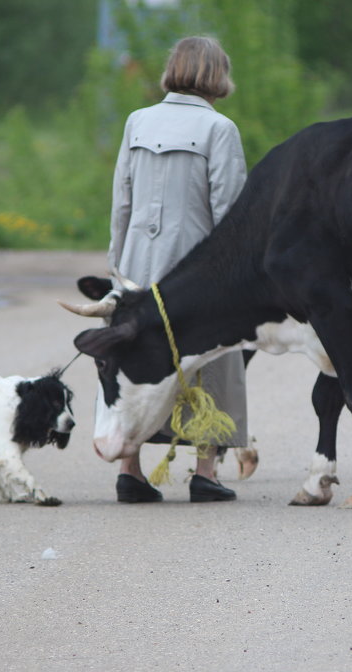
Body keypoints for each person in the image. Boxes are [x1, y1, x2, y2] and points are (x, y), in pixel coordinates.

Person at [107, 35, 249, 504]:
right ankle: (205, 471)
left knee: (135, 360)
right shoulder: (220, 130)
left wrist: (117, 268)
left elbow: (121, 203)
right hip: (198, 271)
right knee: (209, 362)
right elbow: (230, 211)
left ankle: (130, 467)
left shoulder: (137, 121)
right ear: (217, 75)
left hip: (136, 268)